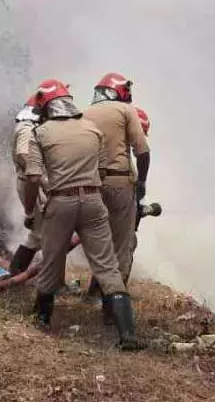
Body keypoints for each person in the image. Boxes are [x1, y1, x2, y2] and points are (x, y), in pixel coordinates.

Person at [23, 78, 142, 350]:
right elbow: (101, 171)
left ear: (46, 106)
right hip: (93, 202)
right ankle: (128, 335)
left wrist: (31, 210)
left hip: (60, 203)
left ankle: (42, 319)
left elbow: (32, 177)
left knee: (52, 259)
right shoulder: (92, 129)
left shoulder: (40, 134)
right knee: (107, 264)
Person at [82, 73, 150, 321]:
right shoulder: (125, 110)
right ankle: (112, 313)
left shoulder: (84, 113)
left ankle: (92, 292)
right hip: (119, 184)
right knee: (123, 246)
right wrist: (141, 184)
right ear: (120, 91)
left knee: (100, 243)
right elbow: (143, 152)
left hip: (89, 185)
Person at [7, 95, 44, 275]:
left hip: (33, 183)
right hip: (31, 183)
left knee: (38, 234)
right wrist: (41, 175)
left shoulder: (31, 126)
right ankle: (50, 280)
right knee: (43, 234)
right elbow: (23, 155)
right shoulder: (27, 128)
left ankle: (15, 272)